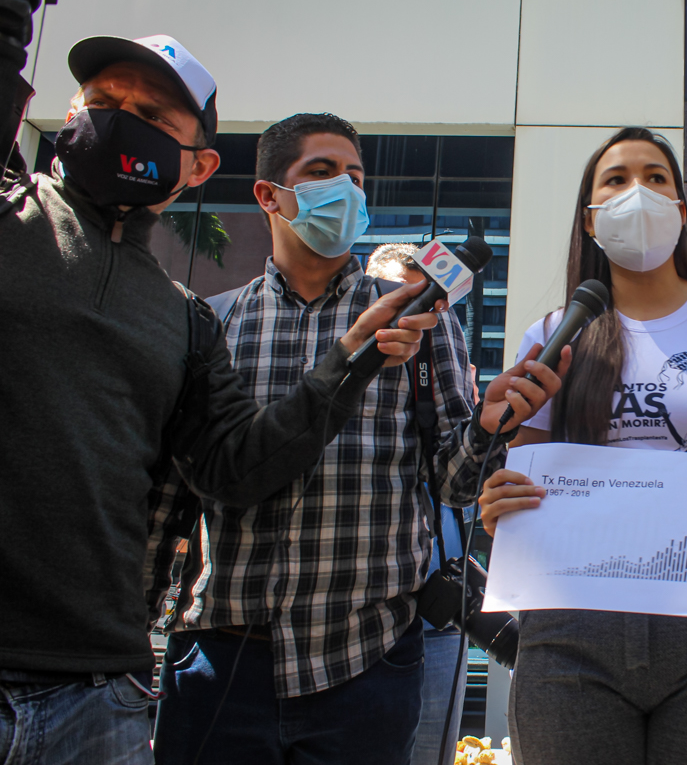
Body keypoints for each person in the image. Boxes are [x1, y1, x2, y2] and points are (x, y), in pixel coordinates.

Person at [0, 37, 429, 765]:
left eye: (153, 117)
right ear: (63, 117)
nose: (122, 124)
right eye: (104, 104)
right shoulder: (12, 223)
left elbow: (236, 469)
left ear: (197, 166)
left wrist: (349, 361)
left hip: (97, 692)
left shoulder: (184, 320)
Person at [150, 114, 564, 765]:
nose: (343, 189)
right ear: (268, 195)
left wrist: (489, 426)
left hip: (363, 665)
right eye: (320, 172)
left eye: (354, 176)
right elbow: (175, 495)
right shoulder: (215, 323)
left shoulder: (421, 317)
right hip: (221, 662)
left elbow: (454, 482)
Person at [478, 127, 687, 765]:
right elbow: (519, 501)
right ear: (589, 219)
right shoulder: (553, 334)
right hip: (570, 630)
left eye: (656, 177)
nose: (637, 192)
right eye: (615, 180)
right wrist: (500, 504)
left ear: (682, 209)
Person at [366, 240, 469, 765]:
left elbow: (462, 477)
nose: (423, 310)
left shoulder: (441, 357)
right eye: (403, 294)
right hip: (360, 616)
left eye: (432, 298)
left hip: (436, 616)